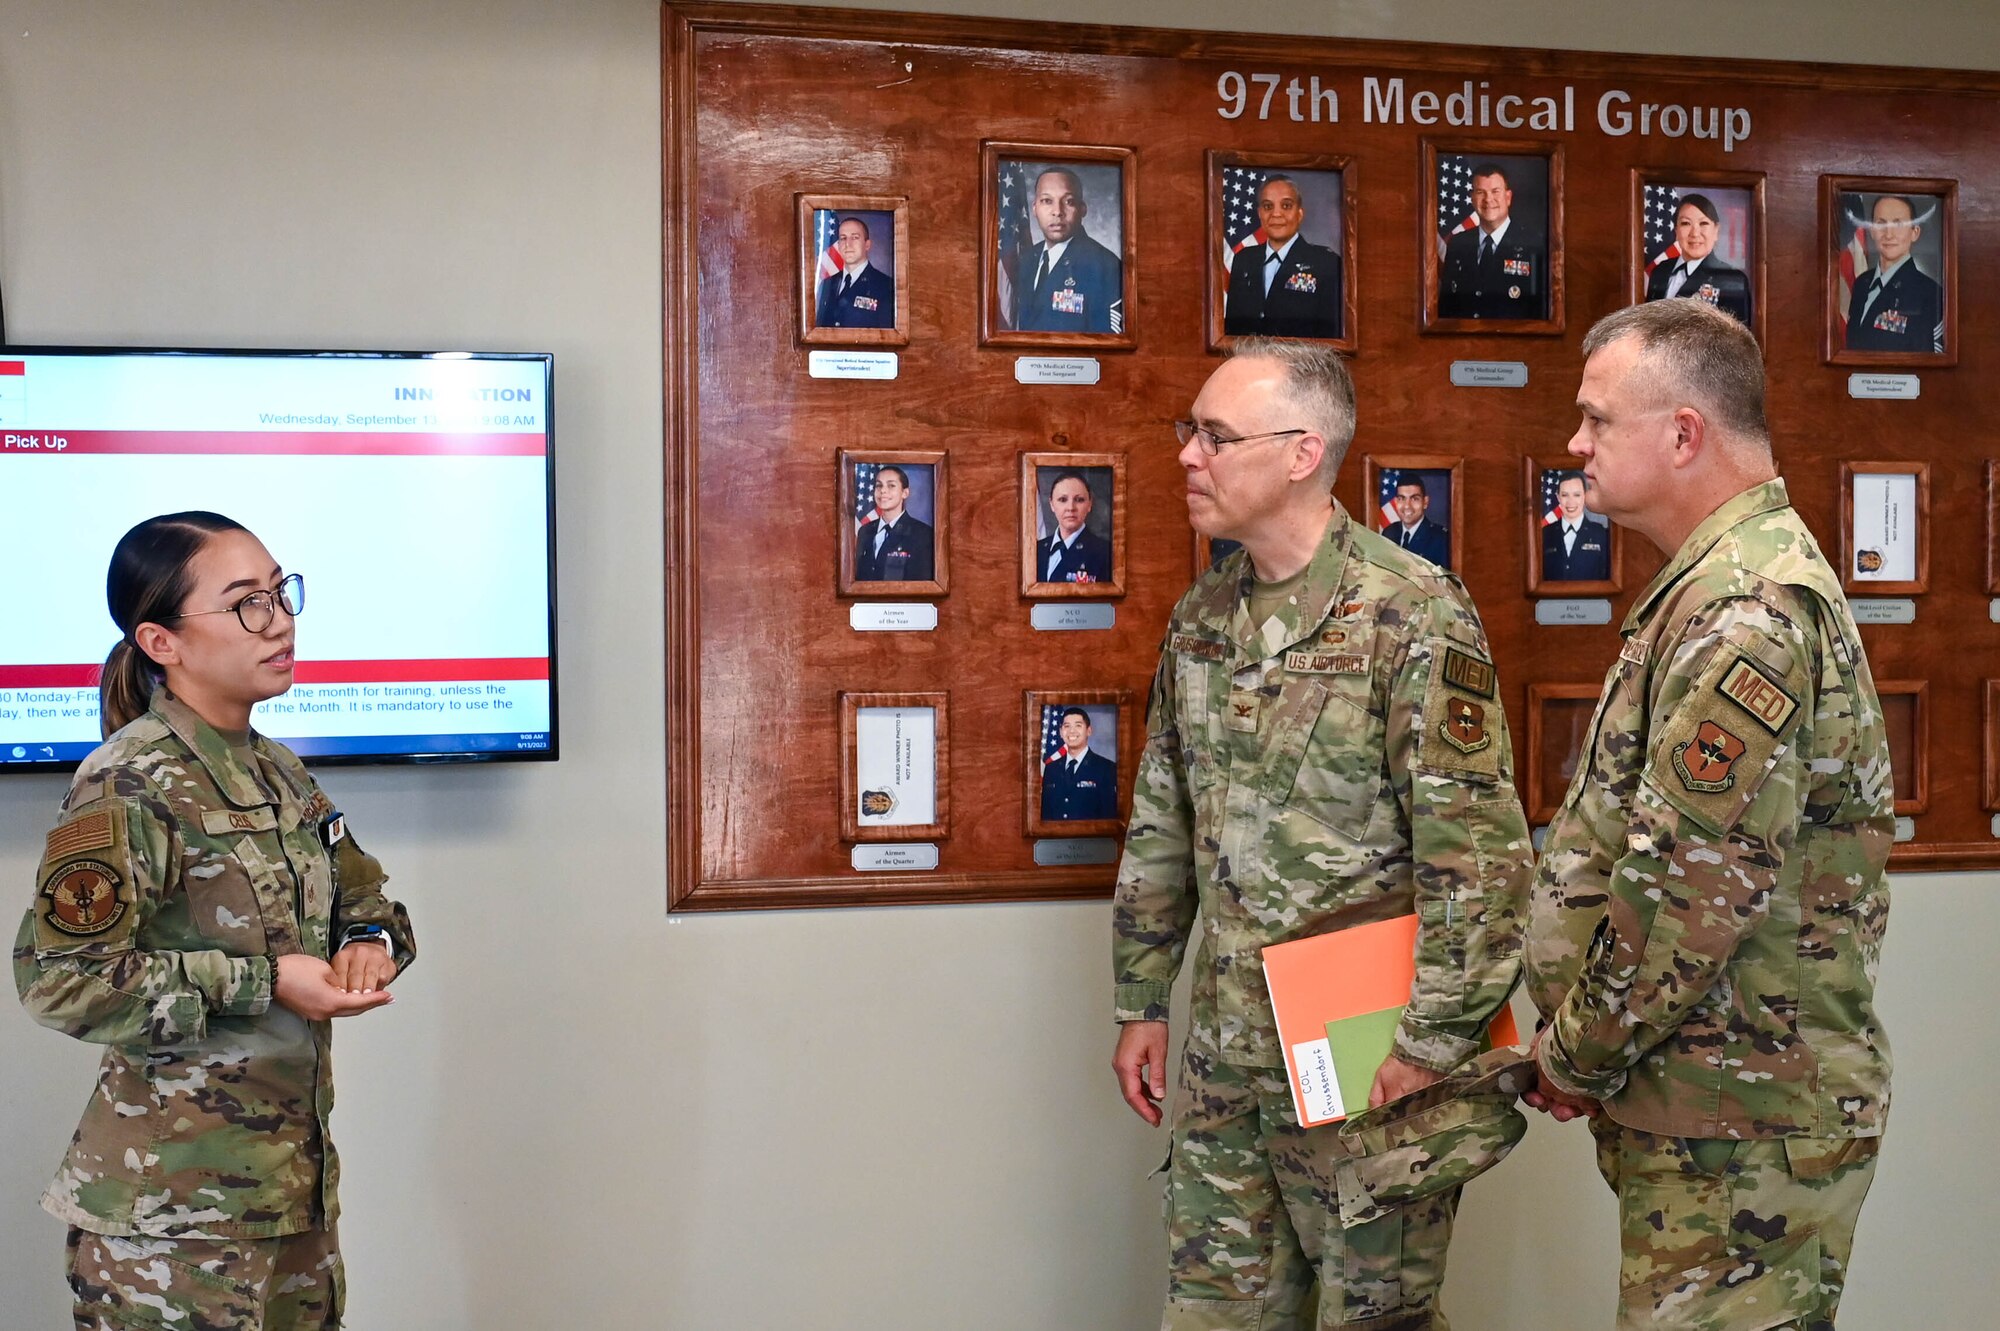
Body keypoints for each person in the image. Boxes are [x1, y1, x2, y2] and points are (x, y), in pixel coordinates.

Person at [1112, 337, 1532, 1329]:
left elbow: (1475, 858)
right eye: (1190, 431)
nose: (1187, 454)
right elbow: (1160, 819)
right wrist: (1140, 994)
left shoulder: (1408, 615)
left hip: (1368, 1068)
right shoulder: (1203, 615)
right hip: (1226, 1067)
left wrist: (1429, 1043)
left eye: (1214, 435)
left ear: (1301, 452)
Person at [1524, 300, 1892, 1329]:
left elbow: (1688, 890)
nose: (1574, 442)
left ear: (1681, 432)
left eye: (1595, 418)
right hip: (1710, 1111)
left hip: (1741, 1123)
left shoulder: (1745, 610)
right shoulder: (1709, 588)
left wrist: (1575, 1052)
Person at [14, 511, 416, 1331]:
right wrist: (266, 981)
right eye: (246, 604)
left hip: (287, 1205)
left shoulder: (276, 769)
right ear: (162, 641)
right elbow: (61, 980)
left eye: (280, 593)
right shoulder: (129, 782)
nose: (280, 621)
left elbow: (367, 901)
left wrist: (368, 944)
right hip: (169, 1232)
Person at [1223, 175, 1344, 340]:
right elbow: (1232, 330)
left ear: (1300, 213)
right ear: (1259, 213)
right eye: (1268, 206)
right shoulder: (1244, 260)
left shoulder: (1325, 263)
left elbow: (1330, 334)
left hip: (1299, 363)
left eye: (1286, 206)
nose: (1276, 214)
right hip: (1249, 360)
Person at [1009, 166, 1123, 334]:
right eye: (1047, 201)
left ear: (1082, 209)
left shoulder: (1106, 267)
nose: (1057, 212)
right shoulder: (1026, 260)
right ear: (1034, 209)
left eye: (1068, 201)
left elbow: (1111, 345)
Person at [1438, 161, 1545, 320]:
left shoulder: (1533, 243)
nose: (1488, 199)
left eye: (1495, 191)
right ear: (1472, 198)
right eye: (1480, 192)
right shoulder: (1459, 244)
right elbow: (1446, 308)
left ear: (1508, 197)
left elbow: (1540, 310)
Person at [1845, 194, 1943, 353]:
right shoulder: (1862, 283)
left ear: (1915, 232)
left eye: (1899, 224)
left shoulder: (1930, 293)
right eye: (1880, 223)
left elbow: (1934, 359)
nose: (1888, 234)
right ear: (1871, 231)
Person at [1643, 193, 1753, 326]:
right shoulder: (1660, 271)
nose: (1695, 233)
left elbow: (1738, 340)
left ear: (1716, 231)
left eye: (1703, 223)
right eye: (1685, 223)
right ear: (1676, 231)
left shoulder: (1733, 280)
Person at [853, 464, 934, 581]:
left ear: (905, 493)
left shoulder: (923, 534)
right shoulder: (865, 531)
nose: (883, 491)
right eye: (878, 485)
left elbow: (923, 584)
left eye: (891, 485)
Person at [815, 216, 896, 329]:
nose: (848, 244)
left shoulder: (886, 286)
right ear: (838, 245)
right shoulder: (827, 283)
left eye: (855, 237)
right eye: (843, 238)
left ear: (867, 245)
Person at [1040, 707, 1118, 821]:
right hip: (1055, 837)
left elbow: (1109, 814)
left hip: (1091, 837)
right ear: (1061, 732)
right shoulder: (1051, 768)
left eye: (1078, 725)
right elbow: (1045, 814)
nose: (1072, 731)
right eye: (1067, 726)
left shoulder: (1106, 768)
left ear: (1089, 731)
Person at [1036, 470, 1112, 584]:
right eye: (1062, 499)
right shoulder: (1037, 550)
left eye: (1079, 500)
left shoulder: (1106, 553)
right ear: (1051, 504)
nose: (1071, 507)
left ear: (1090, 504)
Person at [1540, 475, 1611, 581]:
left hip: (1592, 597)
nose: (1570, 502)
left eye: (1576, 495)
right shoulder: (1545, 534)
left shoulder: (1600, 534)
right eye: (1565, 495)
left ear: (1585, 496)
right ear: (1558, 497)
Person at [1385, 475, 1451, 568]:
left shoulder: (1441, 539)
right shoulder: (1389, 533)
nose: (1407, 506)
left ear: (1425, 502)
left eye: (1414, 499)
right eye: (1402, 498)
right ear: (1396, 502)